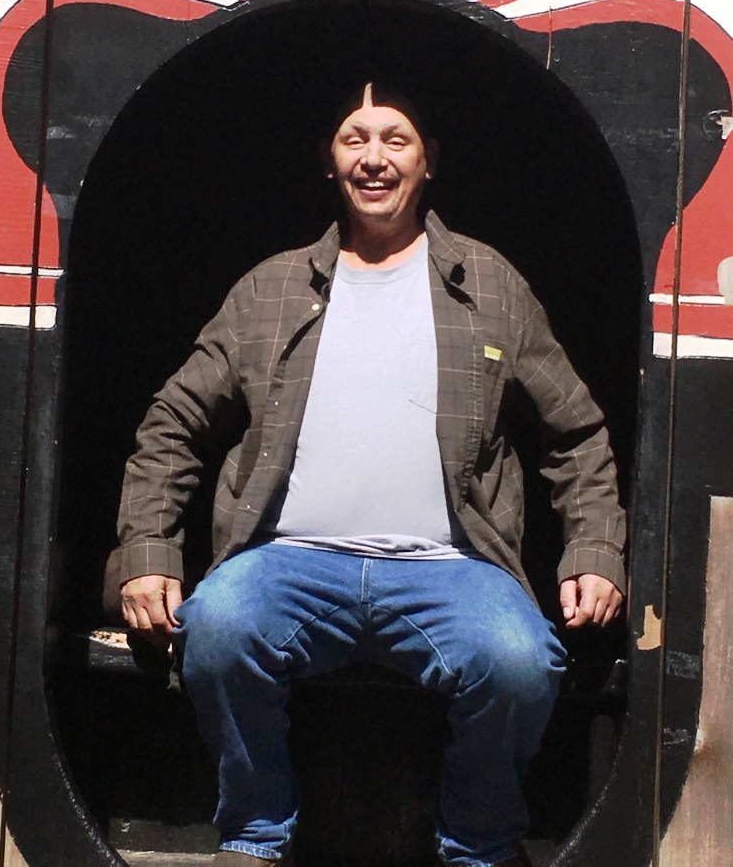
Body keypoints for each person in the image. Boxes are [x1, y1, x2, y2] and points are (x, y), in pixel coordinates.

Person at [117, 81, 625, 867]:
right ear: (330, 161)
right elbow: (173, 423)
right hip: (290, 563)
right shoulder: (271, 287)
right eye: (355, 139)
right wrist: (146, 553)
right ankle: (256, 834)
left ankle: (479, 842)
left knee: (520, 663)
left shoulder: (488, 282)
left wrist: (593, 551)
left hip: (449, 569)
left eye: (396, 139)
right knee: (216, 631)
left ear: (428, 162)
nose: (374, 158)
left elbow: (575, 432)